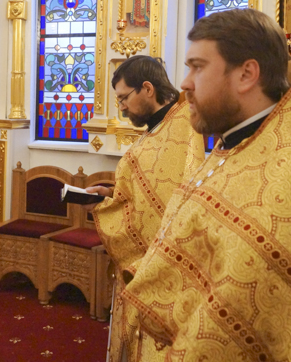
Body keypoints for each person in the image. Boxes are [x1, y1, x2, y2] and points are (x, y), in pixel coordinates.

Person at [121, 9, 291, 361]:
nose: (185, 83)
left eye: (197, 67)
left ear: (247, 74)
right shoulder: (234, 148)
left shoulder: (284, 190)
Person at [84, 55, 204, 362]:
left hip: (165, 270)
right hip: (142, 265)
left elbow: (175, 202)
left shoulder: (184, 128)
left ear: (148, 89)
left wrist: (113, 207)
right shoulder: (157, 128)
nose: (122, 107)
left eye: (124, 98)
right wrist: (110, 195)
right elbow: (145, 193)